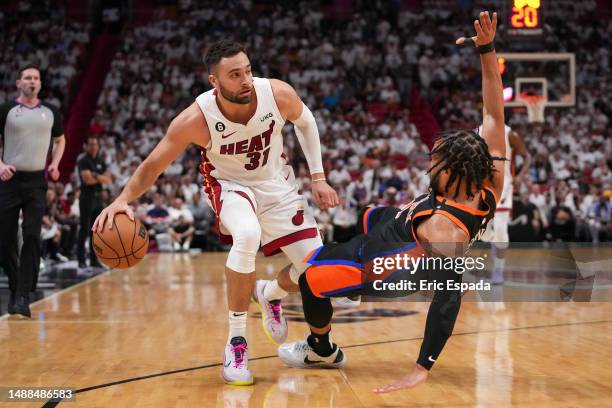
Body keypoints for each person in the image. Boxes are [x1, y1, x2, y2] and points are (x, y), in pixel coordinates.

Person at [277, 11, 505, 393]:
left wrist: (422, 367)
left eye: (436, 160)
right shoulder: (490, 178)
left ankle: (321, 349)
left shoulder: (444, 230)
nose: (429, 161)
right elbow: (493, 112)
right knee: (371, 214)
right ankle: (337, 289)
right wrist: (487, 50)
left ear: (452, 170)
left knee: (310, 278)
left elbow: (448, 300)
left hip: (386, 262)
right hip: (394, 224)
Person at [92, 40, 338, 385]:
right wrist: (122, 200)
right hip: (230, 186)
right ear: (214, 81)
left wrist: (318, 177)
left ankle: (269, 293)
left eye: (248, 71)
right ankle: (236, 343)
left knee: (316, 270)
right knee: (247, 234)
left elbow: (306, 122)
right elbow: (153, 165)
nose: (245, 80)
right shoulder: (196, 119)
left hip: (277, 184)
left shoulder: (276, 94)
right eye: (235, 75)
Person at [0, 64, 66, 318]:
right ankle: (18, 289)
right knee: (5, 242)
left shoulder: (51, 112)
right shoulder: (6, 110)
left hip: (36, 181)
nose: (32, 81)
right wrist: (1, 165)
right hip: (9, 181)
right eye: (27, 78)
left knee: (31, 236)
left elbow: (61, 140)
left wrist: (56, 164)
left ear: (40, 84)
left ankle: (23, 296)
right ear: (18, 83)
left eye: (36, 78)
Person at [478, 124, 530, 283]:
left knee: (500, 232)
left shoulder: (510, 134)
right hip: (484, 186)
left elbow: (527, 157)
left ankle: (498, 269)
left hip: (505, 186)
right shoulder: (479, 131)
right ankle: (494, 245)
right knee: (484, 235)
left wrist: (520, 176)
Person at [77, 135, 111, 269]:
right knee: (84, 229)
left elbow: (108, 180)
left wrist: (95, 175)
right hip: (86, 197)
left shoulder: (101, 160)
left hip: (98, 199)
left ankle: (93, 259)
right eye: (91, 144)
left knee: (96, 230)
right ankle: (81, 260)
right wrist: (99, 177)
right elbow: (87, 180)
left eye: (95, 144)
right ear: (86, 146)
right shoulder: (83, 160)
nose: (93, 147)